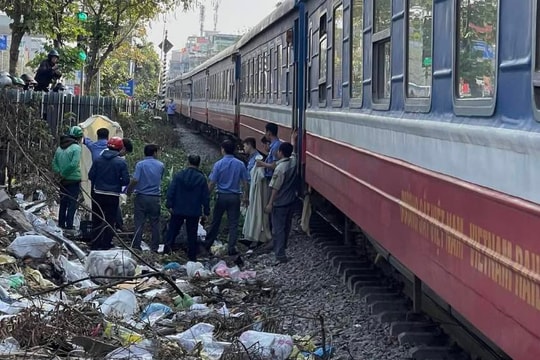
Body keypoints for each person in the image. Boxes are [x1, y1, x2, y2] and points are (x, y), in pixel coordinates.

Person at [203, 140, 250, 256]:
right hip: (234, 197)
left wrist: (206, 196)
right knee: (233, 223)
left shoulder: (218, 164)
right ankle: (231, 248)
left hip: (221, 197)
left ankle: (207, 245)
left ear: (223, 149)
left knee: (216, 222)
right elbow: (245, 182)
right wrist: (246, 196)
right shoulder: (240, 164)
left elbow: (212, 183)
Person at [88, 137, 130, 250]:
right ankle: (106, 244)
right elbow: (126, 180)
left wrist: (100, 181)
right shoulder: (121, 162)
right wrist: (117, 183)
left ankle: (95, 244)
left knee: (97, 219)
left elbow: (91, 176)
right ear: (120, 148)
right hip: (113, 195)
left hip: (98, 194)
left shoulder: (98, 160)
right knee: (110, 220)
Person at [165, 155, 210, 260]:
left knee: (172, 231)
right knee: (192, 234)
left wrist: (169, 204)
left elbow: (171, 191)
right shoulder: (201, 178)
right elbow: (205, 197)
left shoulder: (179, 175)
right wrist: (206, 211)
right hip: (194, 210)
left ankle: (167, 252)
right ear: (198, 164)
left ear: (188, 162)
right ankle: (192, 256)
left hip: (178, 208)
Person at [266, 131, 298, 265]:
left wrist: (269, 204)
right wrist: (293, 142)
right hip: (291, 201)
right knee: (286, 227)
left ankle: (280, 254)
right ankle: (283, 249)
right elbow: (294, 153)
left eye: (278, 151)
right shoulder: (293, 162)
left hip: (280, 203)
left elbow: (275, 188)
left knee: (278, 229)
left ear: (280, 153)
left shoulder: (280, 169)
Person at [127, 144, 165, 251]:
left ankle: (136, 246)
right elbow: (160, 178)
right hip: (155, 198)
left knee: (139, 222)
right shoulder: (161, 165)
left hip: (141, 197)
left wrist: (129, 191)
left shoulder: (140, 164)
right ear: (154, 153)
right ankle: (154, 247)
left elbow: (135, 180)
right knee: (155, 223)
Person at [52, 125, 83, 230]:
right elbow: (74, 164)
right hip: (73, 179)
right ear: (79, 138)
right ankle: (69, 226)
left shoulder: (59, 148)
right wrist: (65, 173)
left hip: (62, 181)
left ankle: (61, 224)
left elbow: (54, 164)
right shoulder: (77, 148)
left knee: (63, 203)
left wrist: (60, 173)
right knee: (72, 204)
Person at [242, 137, 271, 247]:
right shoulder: (253, 158)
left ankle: (257, 237)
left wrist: (247, 193)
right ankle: (252, 236)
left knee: (256, 213)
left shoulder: (257, 158)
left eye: (245, 146)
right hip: (252, 189)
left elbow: (258, 176)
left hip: (256, 191)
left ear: (249, 145)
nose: (244, 148)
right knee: (252, 213)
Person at [115, 138, 134, 232]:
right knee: (114, 207)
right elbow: (126, 180)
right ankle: (118, 226)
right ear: (123, 148)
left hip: (98, 189)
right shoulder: (120, 162)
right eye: (125, 153)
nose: (124, 155)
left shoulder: (102, 156)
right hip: (112, 191)